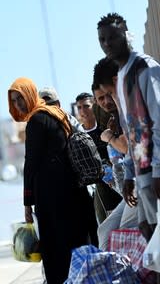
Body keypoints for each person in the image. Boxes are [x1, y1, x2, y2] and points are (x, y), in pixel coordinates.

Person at [97, 13, 160, 283]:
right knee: (152, 238)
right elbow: (133, 131)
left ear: (126, 34)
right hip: (144, 175)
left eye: (112, 37)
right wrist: (128, 174)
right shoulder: (123, 75)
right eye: (102, 39)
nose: (107, 44)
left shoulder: (146, 69)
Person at [8, 77, 93, 283]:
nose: (19, 104)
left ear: (31, 93)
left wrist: (27, 203)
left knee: (56, 255)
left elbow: (31, 164)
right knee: (76, 249)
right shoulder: (57, 113)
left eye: (21, 97)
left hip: (53, 198)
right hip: (73, 192)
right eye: (14, 100)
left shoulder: (37, 120)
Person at [39, 87, 99, 247]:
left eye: (50, 104)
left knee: (94, 234)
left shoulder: (68, 121)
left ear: (58, 104)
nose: (47, 109)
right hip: (65, 194)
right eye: (43, 105)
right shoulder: (42, 127)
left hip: (85, 189)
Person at [91, 59, 139, 250]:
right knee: (104, 230)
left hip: (146, 180)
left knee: (125, 231)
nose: (107, 101)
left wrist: (109, 137)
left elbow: (129, 148)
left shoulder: (130, 104)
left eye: (108, 94)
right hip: (130, 183)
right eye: (101, 98)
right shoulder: (114, 116)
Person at [75, 92, 122, 224]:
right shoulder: (78, 135)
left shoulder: (105, 128)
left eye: (86, 106)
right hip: (99, 187)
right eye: (79, 107)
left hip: (118, 180)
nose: (83, 111)